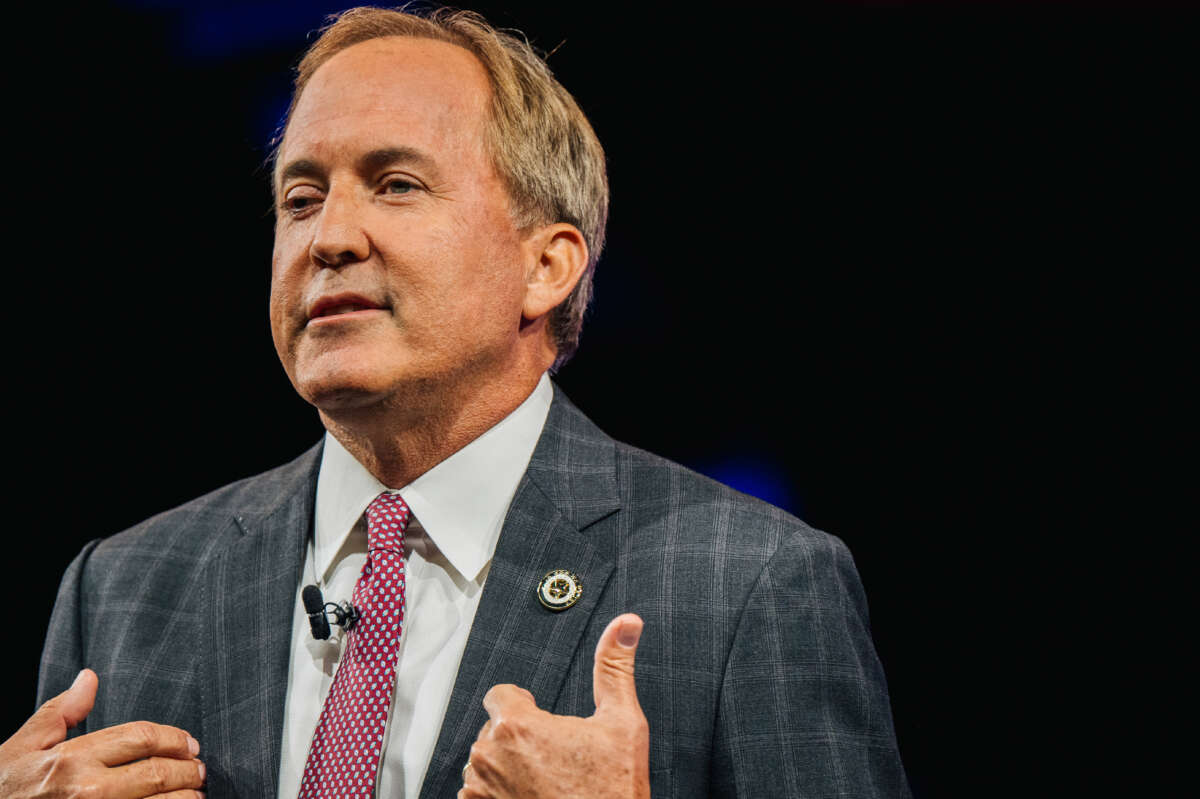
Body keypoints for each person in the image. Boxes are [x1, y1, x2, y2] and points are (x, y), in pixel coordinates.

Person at [1, 6, 909, 798]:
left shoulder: (748, 582)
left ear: (545, 265)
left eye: (396, 184)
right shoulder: (120, 588)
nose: (330, 236)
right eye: (301, 196)